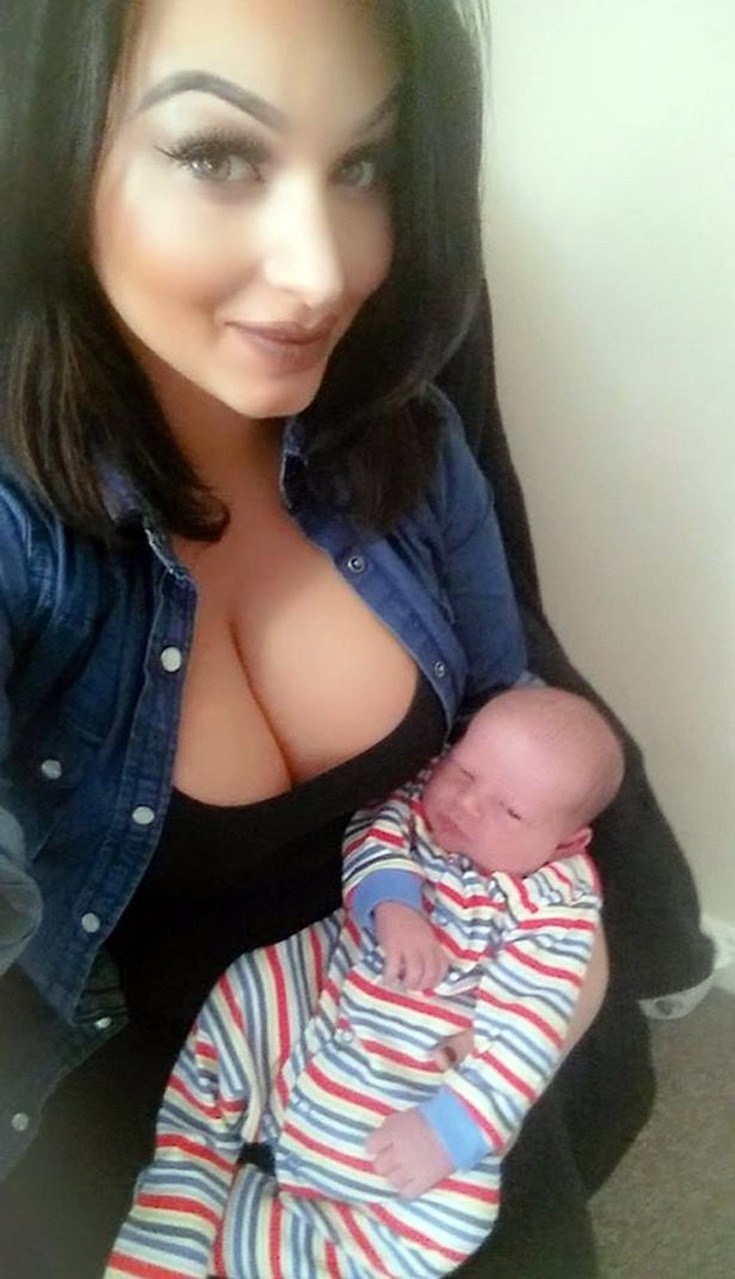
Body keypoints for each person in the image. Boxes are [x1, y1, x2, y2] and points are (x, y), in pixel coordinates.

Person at [0, 2, 713, 1278]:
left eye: (365, 165)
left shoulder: (410, 447)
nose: (325, 272)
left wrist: (512, 1042)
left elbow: (516, 718)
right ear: (52, 151)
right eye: (217, 153)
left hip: (436, 1061)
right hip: (160, 1133)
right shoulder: (20, 548)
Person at [107, 686, 624, 1279]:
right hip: (320, 1003)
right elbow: (375, 829)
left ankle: (242, 1234)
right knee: (254, 989)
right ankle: (184, 1183)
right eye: (464, 769)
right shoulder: (423, 802)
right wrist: (393, 904)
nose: (466, 802)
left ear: (566, 843)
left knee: (450, 1229)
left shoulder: (555, 908)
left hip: (408, 1087)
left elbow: (528, 1030)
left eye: (509, 811)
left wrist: (451, 1128)